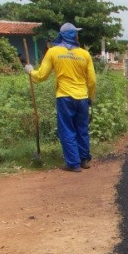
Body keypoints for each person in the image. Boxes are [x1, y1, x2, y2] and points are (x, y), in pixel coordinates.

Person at [24, 22, 96, 172]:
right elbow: (92, 80)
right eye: (76, 33)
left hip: (65, 97)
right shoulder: (84, 54)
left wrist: (30, 71)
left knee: (67, 129)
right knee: (82, 129)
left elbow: (41, 76)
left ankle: (73, 163)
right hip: (82, 97)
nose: (77, 35)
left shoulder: (53, 52)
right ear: (73, 35)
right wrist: (91, 97)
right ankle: (84, 160)